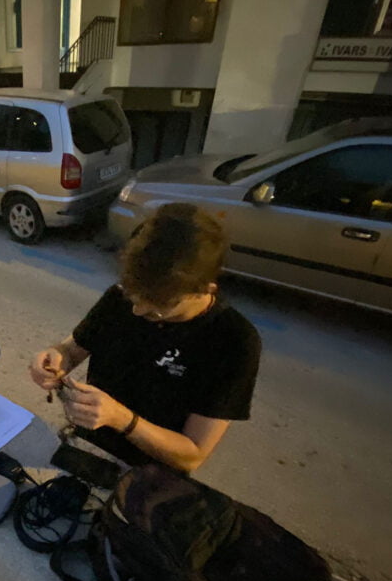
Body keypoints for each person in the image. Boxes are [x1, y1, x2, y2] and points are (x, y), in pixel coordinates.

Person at [30, 203, 261, 473]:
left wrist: (122, 419)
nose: (138, 310)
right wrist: (56, 358)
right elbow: (72, 349)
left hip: (149, 479)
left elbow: (193, 454)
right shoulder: (120, 299)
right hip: (85, 450)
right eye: (133, 295)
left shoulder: (234, 341)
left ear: (205, 289)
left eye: (158, 304)